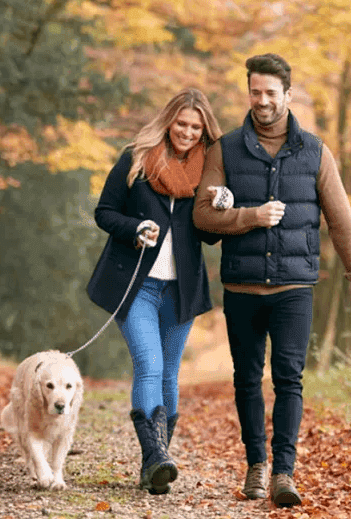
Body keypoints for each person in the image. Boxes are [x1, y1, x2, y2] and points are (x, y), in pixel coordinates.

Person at [192, 53, 351, 507]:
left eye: (272, 93)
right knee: (247, 379)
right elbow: (200, 217)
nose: (263, 101)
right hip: (242, 288)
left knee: (289, 378)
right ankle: (256, 465)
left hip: (295, 288)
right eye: (256, 92)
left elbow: (342, 221)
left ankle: (284, 473)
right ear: (248, 92)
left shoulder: (315, 152)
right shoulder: (225, 149)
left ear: (287, 96)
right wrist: (250, 217)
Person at [87, 88, 224, 495]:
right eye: (181, 123)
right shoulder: (137, 158)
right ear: (168, 121)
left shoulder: (209, 172)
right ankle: (156, 458)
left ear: (204, 132)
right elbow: (104, 212)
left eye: (195, 127)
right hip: (136, 287)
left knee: (169, 373)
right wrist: (135, 229)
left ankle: (154, 465)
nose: (187, 132)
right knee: (148, 364)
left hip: (180, 291)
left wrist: (218, 205)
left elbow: (211, 238)